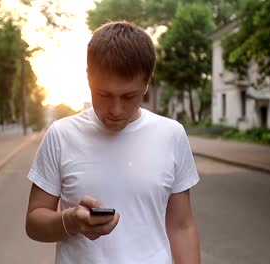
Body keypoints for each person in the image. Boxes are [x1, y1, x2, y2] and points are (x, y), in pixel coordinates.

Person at [25, 21, 200, 264]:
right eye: (104, 94)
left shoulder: (172, 134)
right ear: (88, 78)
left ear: (146, 83)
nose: (116, 110)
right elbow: (34, 222)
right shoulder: (61, 134)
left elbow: (182, 227)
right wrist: (71, 221)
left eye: (129, 96)